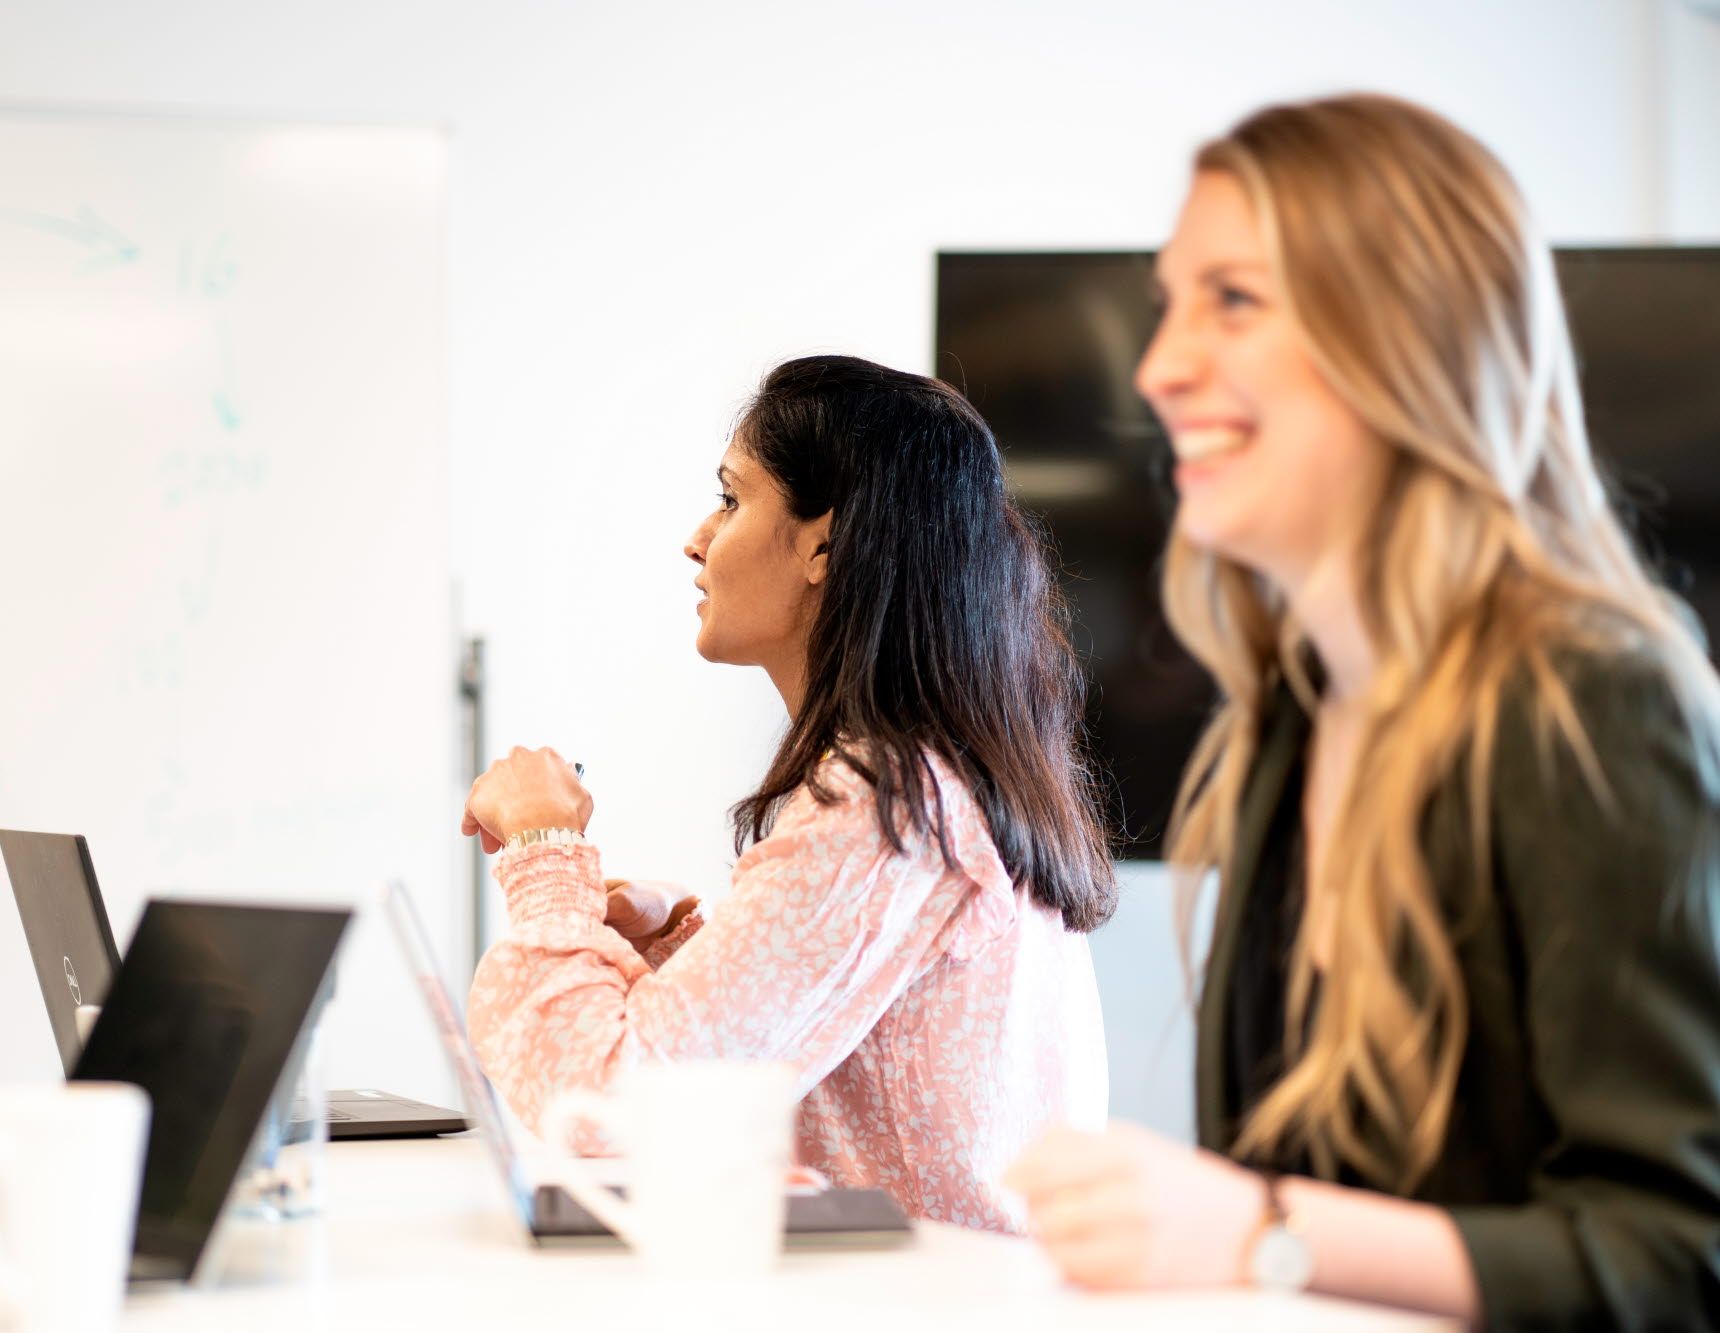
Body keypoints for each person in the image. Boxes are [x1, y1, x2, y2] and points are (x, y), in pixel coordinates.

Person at [1005, 93, 1720, 1326]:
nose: (1158, 366)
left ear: (1411, 336)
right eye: (1171, 302)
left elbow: (1679, 1255)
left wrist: (1263, 1231)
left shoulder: (1588, 701)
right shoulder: (1289, 714)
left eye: (1232, 298)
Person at [462, 354, 1115, 1232]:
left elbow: (617, 1113)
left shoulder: (883, 801)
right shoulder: (932, 775)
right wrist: (681, 940)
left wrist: (544, 848)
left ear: (822, 544)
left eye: (732, 500)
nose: (698, 538)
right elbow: (842, 1028)